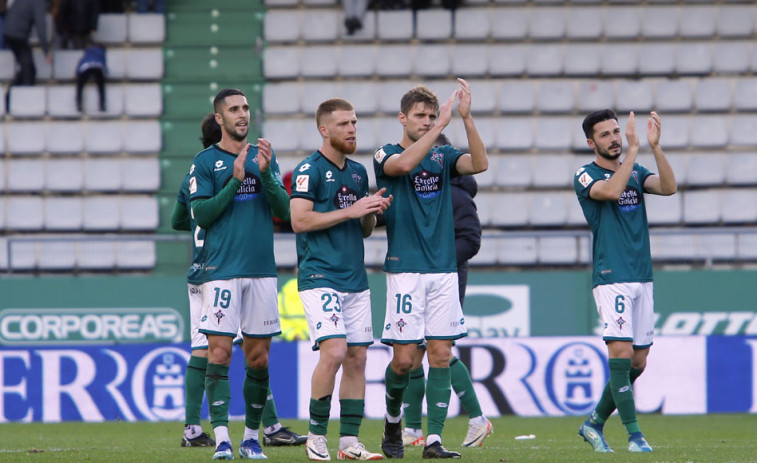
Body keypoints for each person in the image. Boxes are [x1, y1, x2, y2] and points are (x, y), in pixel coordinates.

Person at [171, 112, 307, 450]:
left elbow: (178, 220)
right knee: (231, 350)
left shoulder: (194, 175)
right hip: (219, 268)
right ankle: (266, 426)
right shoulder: (209, 168)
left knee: (225, 349)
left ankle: (196, 426)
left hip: (201, 269)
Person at [373, 78, 488, 459]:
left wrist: (467, 120)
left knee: (441, 354)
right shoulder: (384, 154)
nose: (426, 121)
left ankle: (435, 440)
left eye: (430, 116)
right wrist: (440, 126)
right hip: (406, 268)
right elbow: (405, 164)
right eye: (419, 116)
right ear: (402, 118)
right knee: (404, 360)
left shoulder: (443, 158)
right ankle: (392, 420)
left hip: (442, 270)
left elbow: (481, 163)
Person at [190, 88, 291, 460]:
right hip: (222, 271)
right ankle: (221, 441)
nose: (242, 114)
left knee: (258, 359)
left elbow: (284, 211)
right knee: (218, 353)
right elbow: (199, 215)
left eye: (245, 107)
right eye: (234, 109)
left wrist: (264, 175)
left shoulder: (265, 155)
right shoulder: (205, 162)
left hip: (261, 270)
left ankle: (250, 438)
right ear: (219, 118)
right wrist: (234, 181)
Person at [290, 98, 392, 461]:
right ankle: (316, 436)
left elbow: (363, 229)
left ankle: (349, 443)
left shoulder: (359, 172)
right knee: (333, 351)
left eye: (354, 122)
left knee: (358, 358)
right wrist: (351, 209)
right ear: (324, 130)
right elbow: (299, 221)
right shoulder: (309, 170)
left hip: (355, 278)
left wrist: (371, 212)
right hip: (320, 275)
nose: (352, 129)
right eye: (344, 124)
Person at [573, 109, 677, 453]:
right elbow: (612, 192)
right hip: (611, 275)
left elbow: (668, 187)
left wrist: (654, 147)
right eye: (605, 134)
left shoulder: (635, 171)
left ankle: (593, 423)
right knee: (620, 351)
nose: (614, 138)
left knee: (638, 361)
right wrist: (633, 152)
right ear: (591, 143)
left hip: (641, 275)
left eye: (616, 131)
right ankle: (635, 436)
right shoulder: (585, 175)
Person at [399, 133, 492, 450]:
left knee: (437, 349)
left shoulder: (455, 194)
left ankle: (478, 418)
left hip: (447, 275)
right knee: (412, 351)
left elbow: (471, 239)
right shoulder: (418, 191)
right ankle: (412, 430)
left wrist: (438, 260)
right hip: (417, 275)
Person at [2, 0, 52, 97]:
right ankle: (24, 97)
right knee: (28, 70)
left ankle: (10, 95)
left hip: (10, 33)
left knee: (26, 67)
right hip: (17, 36)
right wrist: (46, 51)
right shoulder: (38, 3)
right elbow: (41, 25)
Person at [75, 43, 106, 112]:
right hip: (98, 67)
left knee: (80, 86)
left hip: (86, 67)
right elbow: (104, 63)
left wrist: (77, 73)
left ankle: (79, 104)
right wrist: (105, 73)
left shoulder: (87, 51)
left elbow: (81, 61)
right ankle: (102, 105)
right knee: (101, 86)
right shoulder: (101, 52)